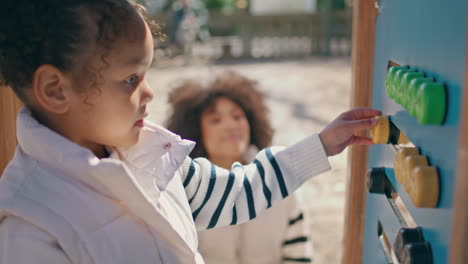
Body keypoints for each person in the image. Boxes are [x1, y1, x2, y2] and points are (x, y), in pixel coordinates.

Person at [0, 1, 380, 263]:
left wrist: (321, 145)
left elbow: (236, 192)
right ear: (55, 89)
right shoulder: (30, 224)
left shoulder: (153, 157)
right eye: (131, 79)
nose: (149, 92)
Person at [166, 71, 315, 264]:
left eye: (237, 116)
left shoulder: (280, 179)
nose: (230, 125)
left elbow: (299, 254)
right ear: (195, 130)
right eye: (215, 120)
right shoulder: (185, 190)